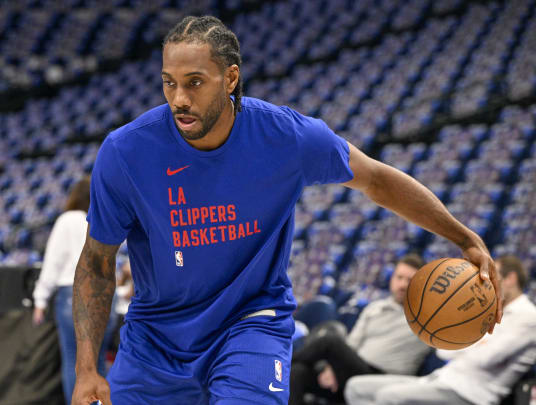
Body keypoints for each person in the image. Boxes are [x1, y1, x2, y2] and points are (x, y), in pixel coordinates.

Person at [70, 15, 501, 405]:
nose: (179, 98)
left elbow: (376, 179)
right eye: (169, 82)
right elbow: (96, 261)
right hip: (157, 337)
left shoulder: (287, 137)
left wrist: (464, 238)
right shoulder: (126, 152)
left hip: (249, 324)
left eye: (195, 82)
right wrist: (87, 368)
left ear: (231, 77)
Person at [344, 255, 536, 405]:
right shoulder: (489, 309)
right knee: (355, 387)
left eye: (495, 277)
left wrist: (467, 342)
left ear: (511, 279)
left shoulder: (528, 317)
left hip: (470, 394)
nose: (489, 283)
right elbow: (443, 349)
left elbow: (486, 359)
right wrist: (477, 343)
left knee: (388, 397)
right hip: (442, 379)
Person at [289, 254, 431, 405]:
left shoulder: (427, 319)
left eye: (410, 280)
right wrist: (331, 368)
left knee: (330, 341)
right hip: (355, 368)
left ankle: (278, 364)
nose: (402, 285)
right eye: (399, 277)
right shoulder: (374, 308)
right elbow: (352, 345)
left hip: (385, 379)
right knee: (298, 372)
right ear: (392, 279)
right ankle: (282, 370)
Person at [32, 176, 117, 405]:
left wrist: (40, 299)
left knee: (76, 361)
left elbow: (53, 261)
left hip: (74, 294)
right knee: (99, 362)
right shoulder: (107, 218)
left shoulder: (68, 220)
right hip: (106, 294)